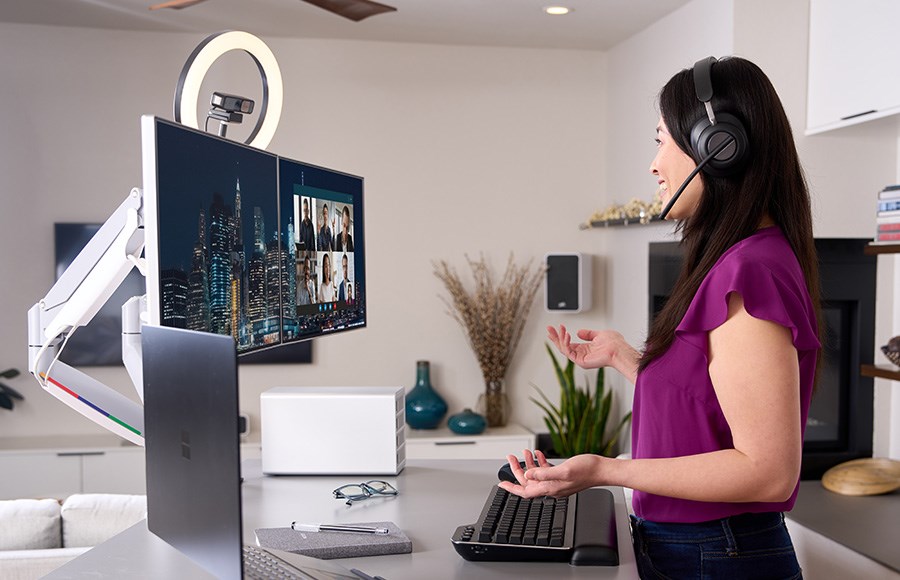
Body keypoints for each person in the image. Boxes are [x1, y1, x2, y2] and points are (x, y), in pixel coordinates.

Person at [501, 56, 821, 579]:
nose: (654, 164)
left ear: (718, 148)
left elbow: (767, 473)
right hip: (700, 549)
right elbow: (711, 404)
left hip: (719, 554)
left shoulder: (750, 273)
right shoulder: (736, 259)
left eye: (660, 140)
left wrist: (605, 469)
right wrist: (627, 358)